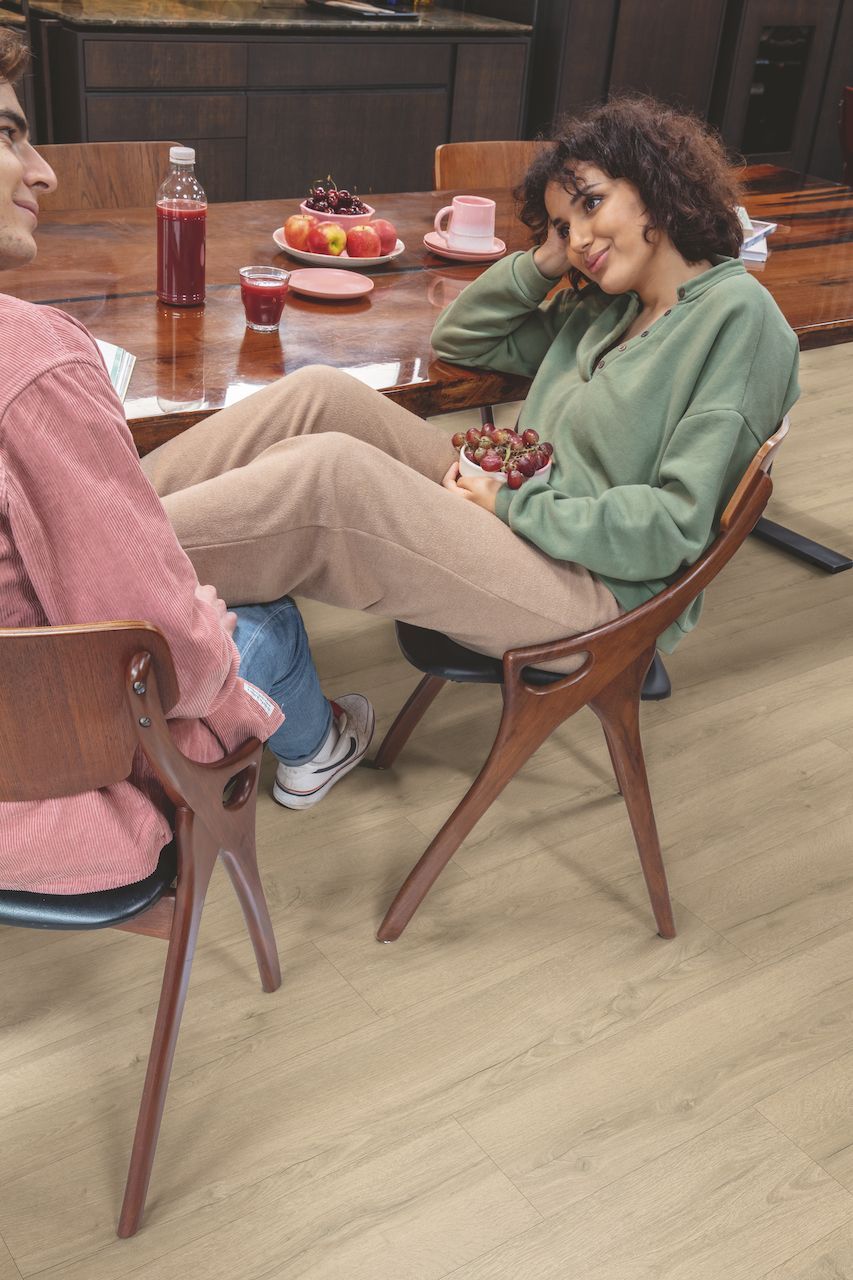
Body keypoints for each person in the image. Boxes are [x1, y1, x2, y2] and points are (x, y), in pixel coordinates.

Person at [140, 96, 799, 678]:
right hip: (519, 506)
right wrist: (553, 251)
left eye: (593, 202)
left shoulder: (737, 320)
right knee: (321, 392)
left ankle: (93, 570)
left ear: (655, 183)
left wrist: (511, 504)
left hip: (601, 595)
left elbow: (670, 530)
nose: (581, 238)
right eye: (564, 225)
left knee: (329, 477)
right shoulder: (609, 306)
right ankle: (100, 518)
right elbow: (462, 338)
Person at [0, 30, 373, 895]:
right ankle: (318, 748)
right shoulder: (32, 362)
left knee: (300, 413)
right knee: (266, 619)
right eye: (11, 134)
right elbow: (176, 655)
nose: (44, 171)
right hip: (61, 775)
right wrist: (200, 604)